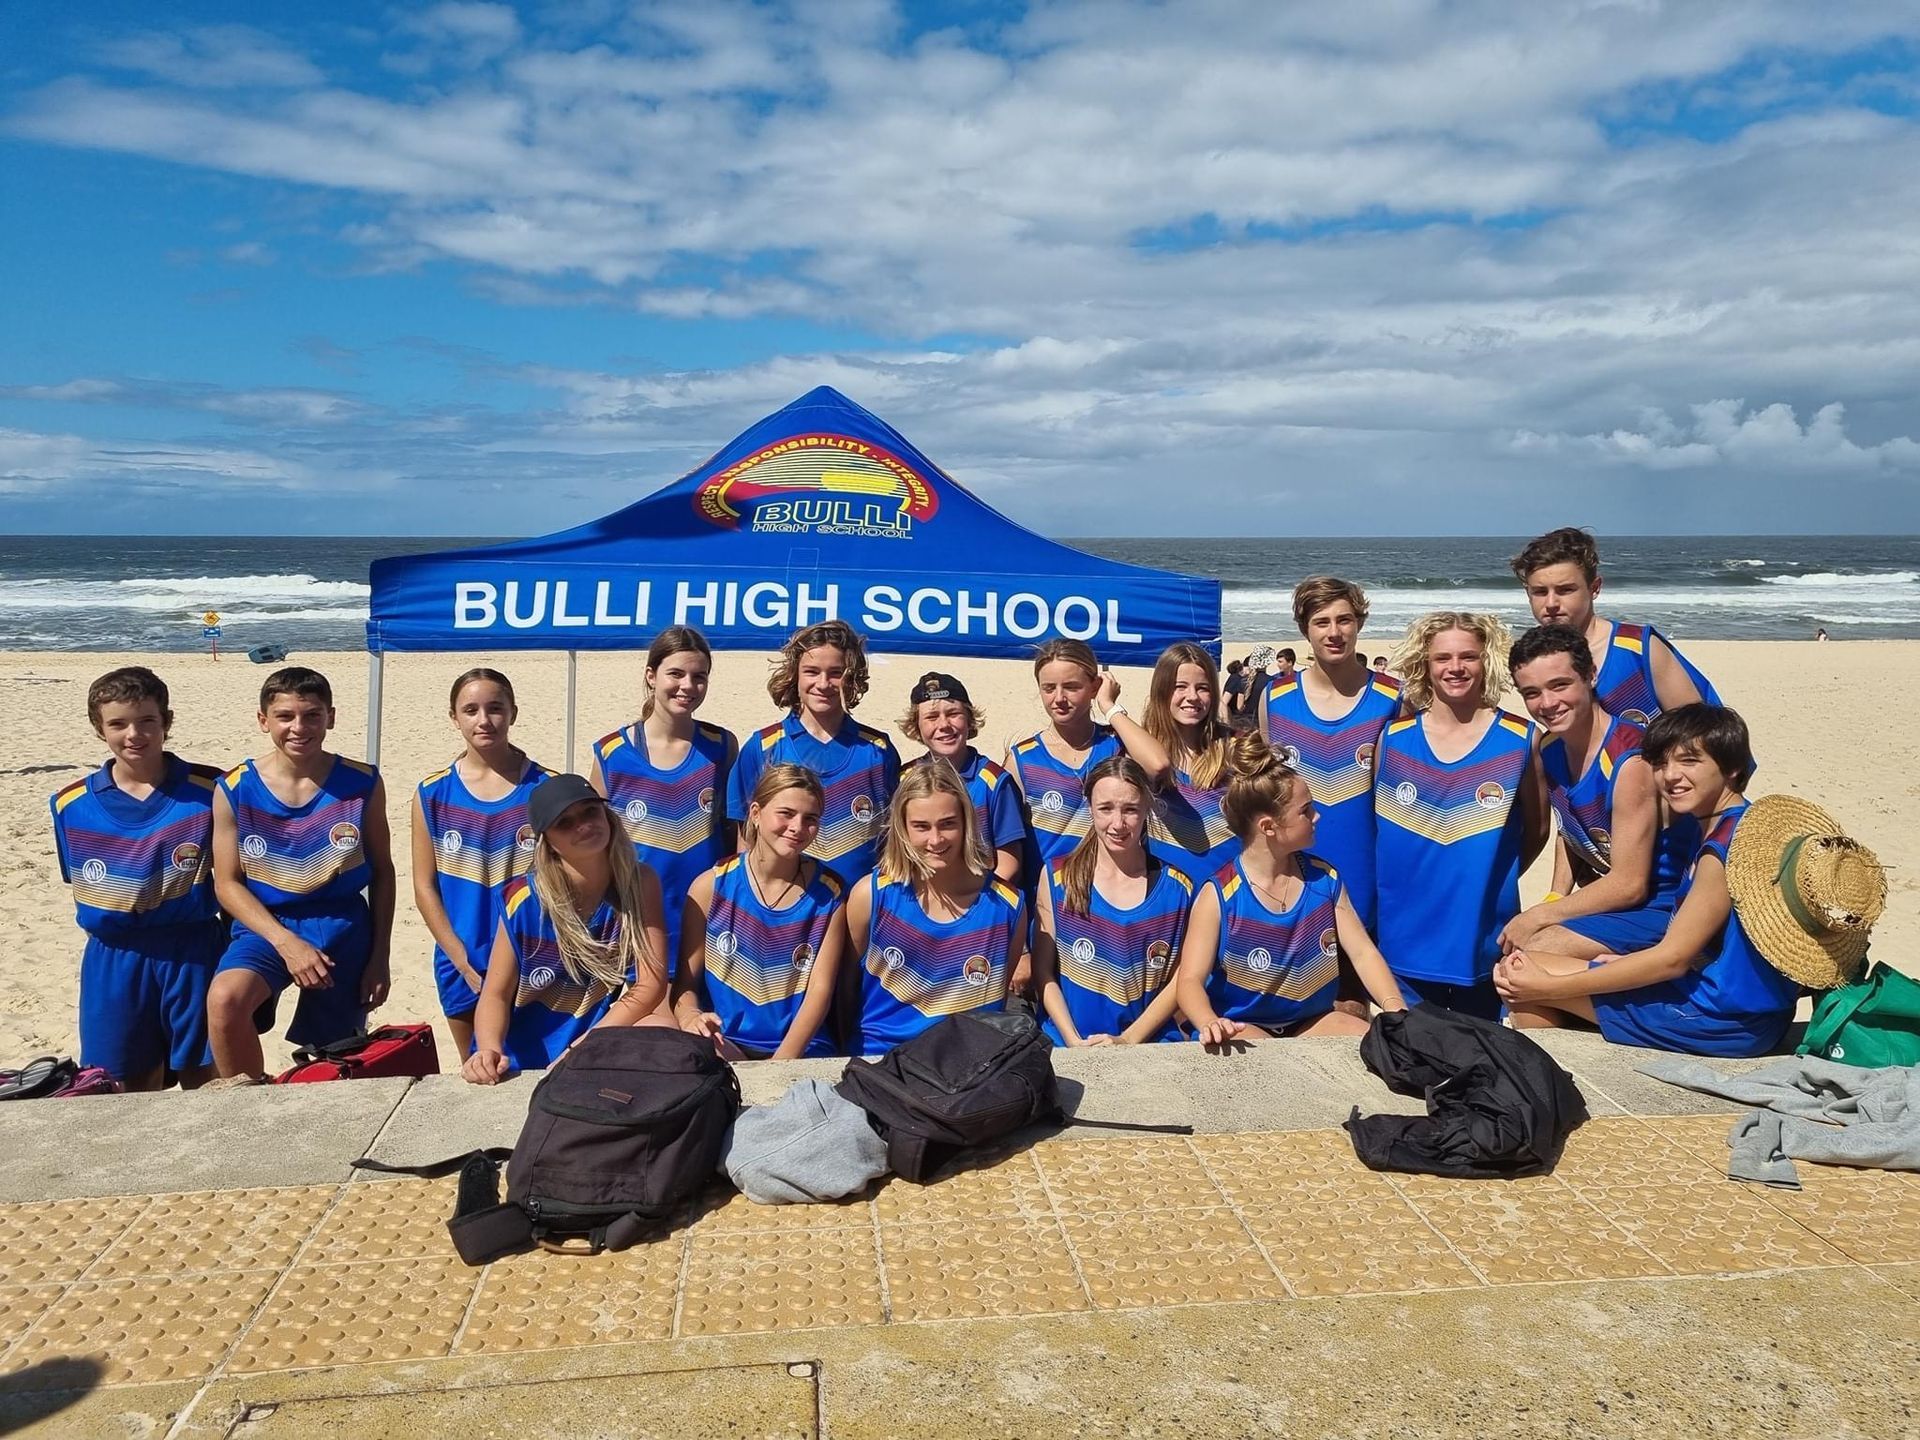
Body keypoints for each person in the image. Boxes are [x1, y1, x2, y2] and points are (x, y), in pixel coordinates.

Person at [1495, 707, 1872, 1057]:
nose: (1670, 775)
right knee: (1526, 967)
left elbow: (1672, 960)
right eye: (1660, 763)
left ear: (1733, 770)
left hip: (1718, 1018)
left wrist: (1549, 988)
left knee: (1520, 979)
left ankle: (1568, 1070)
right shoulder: (1740, 825)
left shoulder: (1721, 851)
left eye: (1690, 760)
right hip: (1738, 1005)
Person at [206, 667, 395, 1081]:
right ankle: (246, 1104)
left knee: (334, 1053)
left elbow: (383, 871)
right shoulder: (234, 787)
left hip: (342, 925)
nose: (299, 727)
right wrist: (286, 943)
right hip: (265, 924)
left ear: (331, 716)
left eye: (311, 715)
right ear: (263, 721)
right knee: (224, 1003)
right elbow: (227, 883)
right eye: (285, 716)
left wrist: (380, 957)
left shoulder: (361, 782)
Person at [49, 667, 225, 1090]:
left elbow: (237, 880)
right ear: (99, 729)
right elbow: (83, 884)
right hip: (114, 958)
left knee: (207, 1082)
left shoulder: (213, 789)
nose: (134, 734)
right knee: (120, 1089)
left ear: (167, 721)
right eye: (118, 723)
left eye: (147, 720)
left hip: (194, 951)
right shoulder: (70, 804)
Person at [1175, 734, 1406, 1043]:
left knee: (1374, 1042)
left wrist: (1395, 1011)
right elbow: (1189, 980)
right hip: (1244, 1027)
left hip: (1314, 1022)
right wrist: (1209, 1021)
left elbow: (1363, 953)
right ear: (1269, 827)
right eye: (1305, 811)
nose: (1317, 816)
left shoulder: (1324, 880)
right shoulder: (1219, 895)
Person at [1372, 613, 1546, 1020]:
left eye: (1469, 656)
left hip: (1482, 939)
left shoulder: (1521, 738)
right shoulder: (1393, 739)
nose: (1455, 668)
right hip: (1403, 938)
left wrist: (1486, 877)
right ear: (1425, 665)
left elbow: (1536, 830)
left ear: (1487, 661)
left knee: (1483, 1060)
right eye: (1442, 658)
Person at [1500, 627, 1695, 960]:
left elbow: (1629, 884)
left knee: (1531, 956)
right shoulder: (1550, 749)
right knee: (1520, 954)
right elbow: (1570, 826)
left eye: (1559, 685)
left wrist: (1539, 916)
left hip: (1672, 900)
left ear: (1590, 675)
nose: (1547, 703)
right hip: (1630, 899)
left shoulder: (1631, 760)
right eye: (1532, 693)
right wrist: (1555, 896)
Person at [462, 774, 672, 1083]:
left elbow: (649, 986)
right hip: (521, 1056)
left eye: (591, 811)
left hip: (592, 1042)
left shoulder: (639, 883)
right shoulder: (523, 899)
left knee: (665, 1030)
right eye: (564, 822)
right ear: (548, 842)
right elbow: (496, 993)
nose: (583, 825)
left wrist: (581, 1049)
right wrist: (489, 1049)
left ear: (608, 816)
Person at [842, 759, 1028, 1055]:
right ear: (902, 828)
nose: (936, 839)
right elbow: (847, 990)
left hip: (967, 1068)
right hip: (881, 1059)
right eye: (921, 827)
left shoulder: (1008, 906)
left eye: (948, 824)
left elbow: (995, 999)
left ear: (967, 821)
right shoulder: (871, 895)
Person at [1254, 578, 1403, 942]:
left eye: (1345, 620)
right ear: (1305, 628)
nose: (1334, 632)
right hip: (1295, 879)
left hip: (1368, 878)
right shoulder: (1275, 698)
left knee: (1356, 996)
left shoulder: (1393, 698)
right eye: (1322, 622)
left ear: (1360, 624)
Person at [413, 668, 550, 1059]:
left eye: (495, 708)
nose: (484, 720)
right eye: (470, 710)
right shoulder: (433, 793)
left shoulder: (544, 789)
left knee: (533, 1070)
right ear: (454, 717)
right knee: (478, 1071)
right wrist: (460, 957)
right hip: (463, 959)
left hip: (533, 956)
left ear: (513, 713)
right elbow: (424, 886)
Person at [672, 765, 845, 1060]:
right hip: (725, 1044)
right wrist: (691, 1018)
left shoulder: (830, 893)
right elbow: (685, 985)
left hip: (802, 1050)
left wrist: (778, 1068)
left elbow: (820, 992)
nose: (798, 827)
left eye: (811, 819)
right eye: (786, 813)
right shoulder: (710, 886)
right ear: (755, 813)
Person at [591, 627, 737, 968]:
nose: (687, 685)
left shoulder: (722, 746)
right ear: (651, 676)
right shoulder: (613, 753)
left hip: (706, 918)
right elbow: (592, 845)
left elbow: (734, 834)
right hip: (634, 920)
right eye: (676, 673)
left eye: (699, 677)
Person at [1033, 756, 1193, 1046]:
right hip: (1067, 1042)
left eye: (1130, 810)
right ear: (1090, 809)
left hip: (1150, 1047)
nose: (1118, 823)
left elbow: (1180, 979)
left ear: (1147, 809)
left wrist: (1129, 1039)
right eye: (1105, 809)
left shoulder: (1177, 889)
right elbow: (1043, 973)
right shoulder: (1058, 878)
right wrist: (1072, 1041)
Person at [727, 620, 899, 884]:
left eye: (835, 672)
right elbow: (746, 841)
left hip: (861, 910)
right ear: (795, 674)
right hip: (786, 912)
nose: (823, 683)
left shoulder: (878, 752)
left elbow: (893, 842)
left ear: (850, 677)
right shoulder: (763, 747)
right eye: (811, 671)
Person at [1511, 527, 1720, 726]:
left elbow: (1697, 732)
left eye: (1565, 590)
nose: (1551, 604)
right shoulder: (1534, 661)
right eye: (1540, 592)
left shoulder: (1636, 648)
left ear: (1594, 588)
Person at [1006, 638, 1170, 891]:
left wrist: (1109, 706)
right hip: (1047, 904)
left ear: (1094, 687)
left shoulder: (1116, 746)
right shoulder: (1022, 760)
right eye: (1049, 688)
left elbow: (1158, 765)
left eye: (1072, 687)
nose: (1059, 698)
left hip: (1112, 898)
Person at [898, 671, 1024, 883]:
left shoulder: (994, 783)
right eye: (931, 717)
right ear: (916, 725)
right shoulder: (905, 780)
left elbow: (1009, 861)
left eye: (953, 713)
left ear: (969, 719)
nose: (944, 725)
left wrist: (977, 902)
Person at [1141, 641, 1241, 881]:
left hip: (1228, 893)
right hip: (1168, 897)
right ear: (1161, 690)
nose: (1192, 697)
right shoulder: (1141, 750)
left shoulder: (1236, 747)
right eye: (1180, 686)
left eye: (1203, 688)